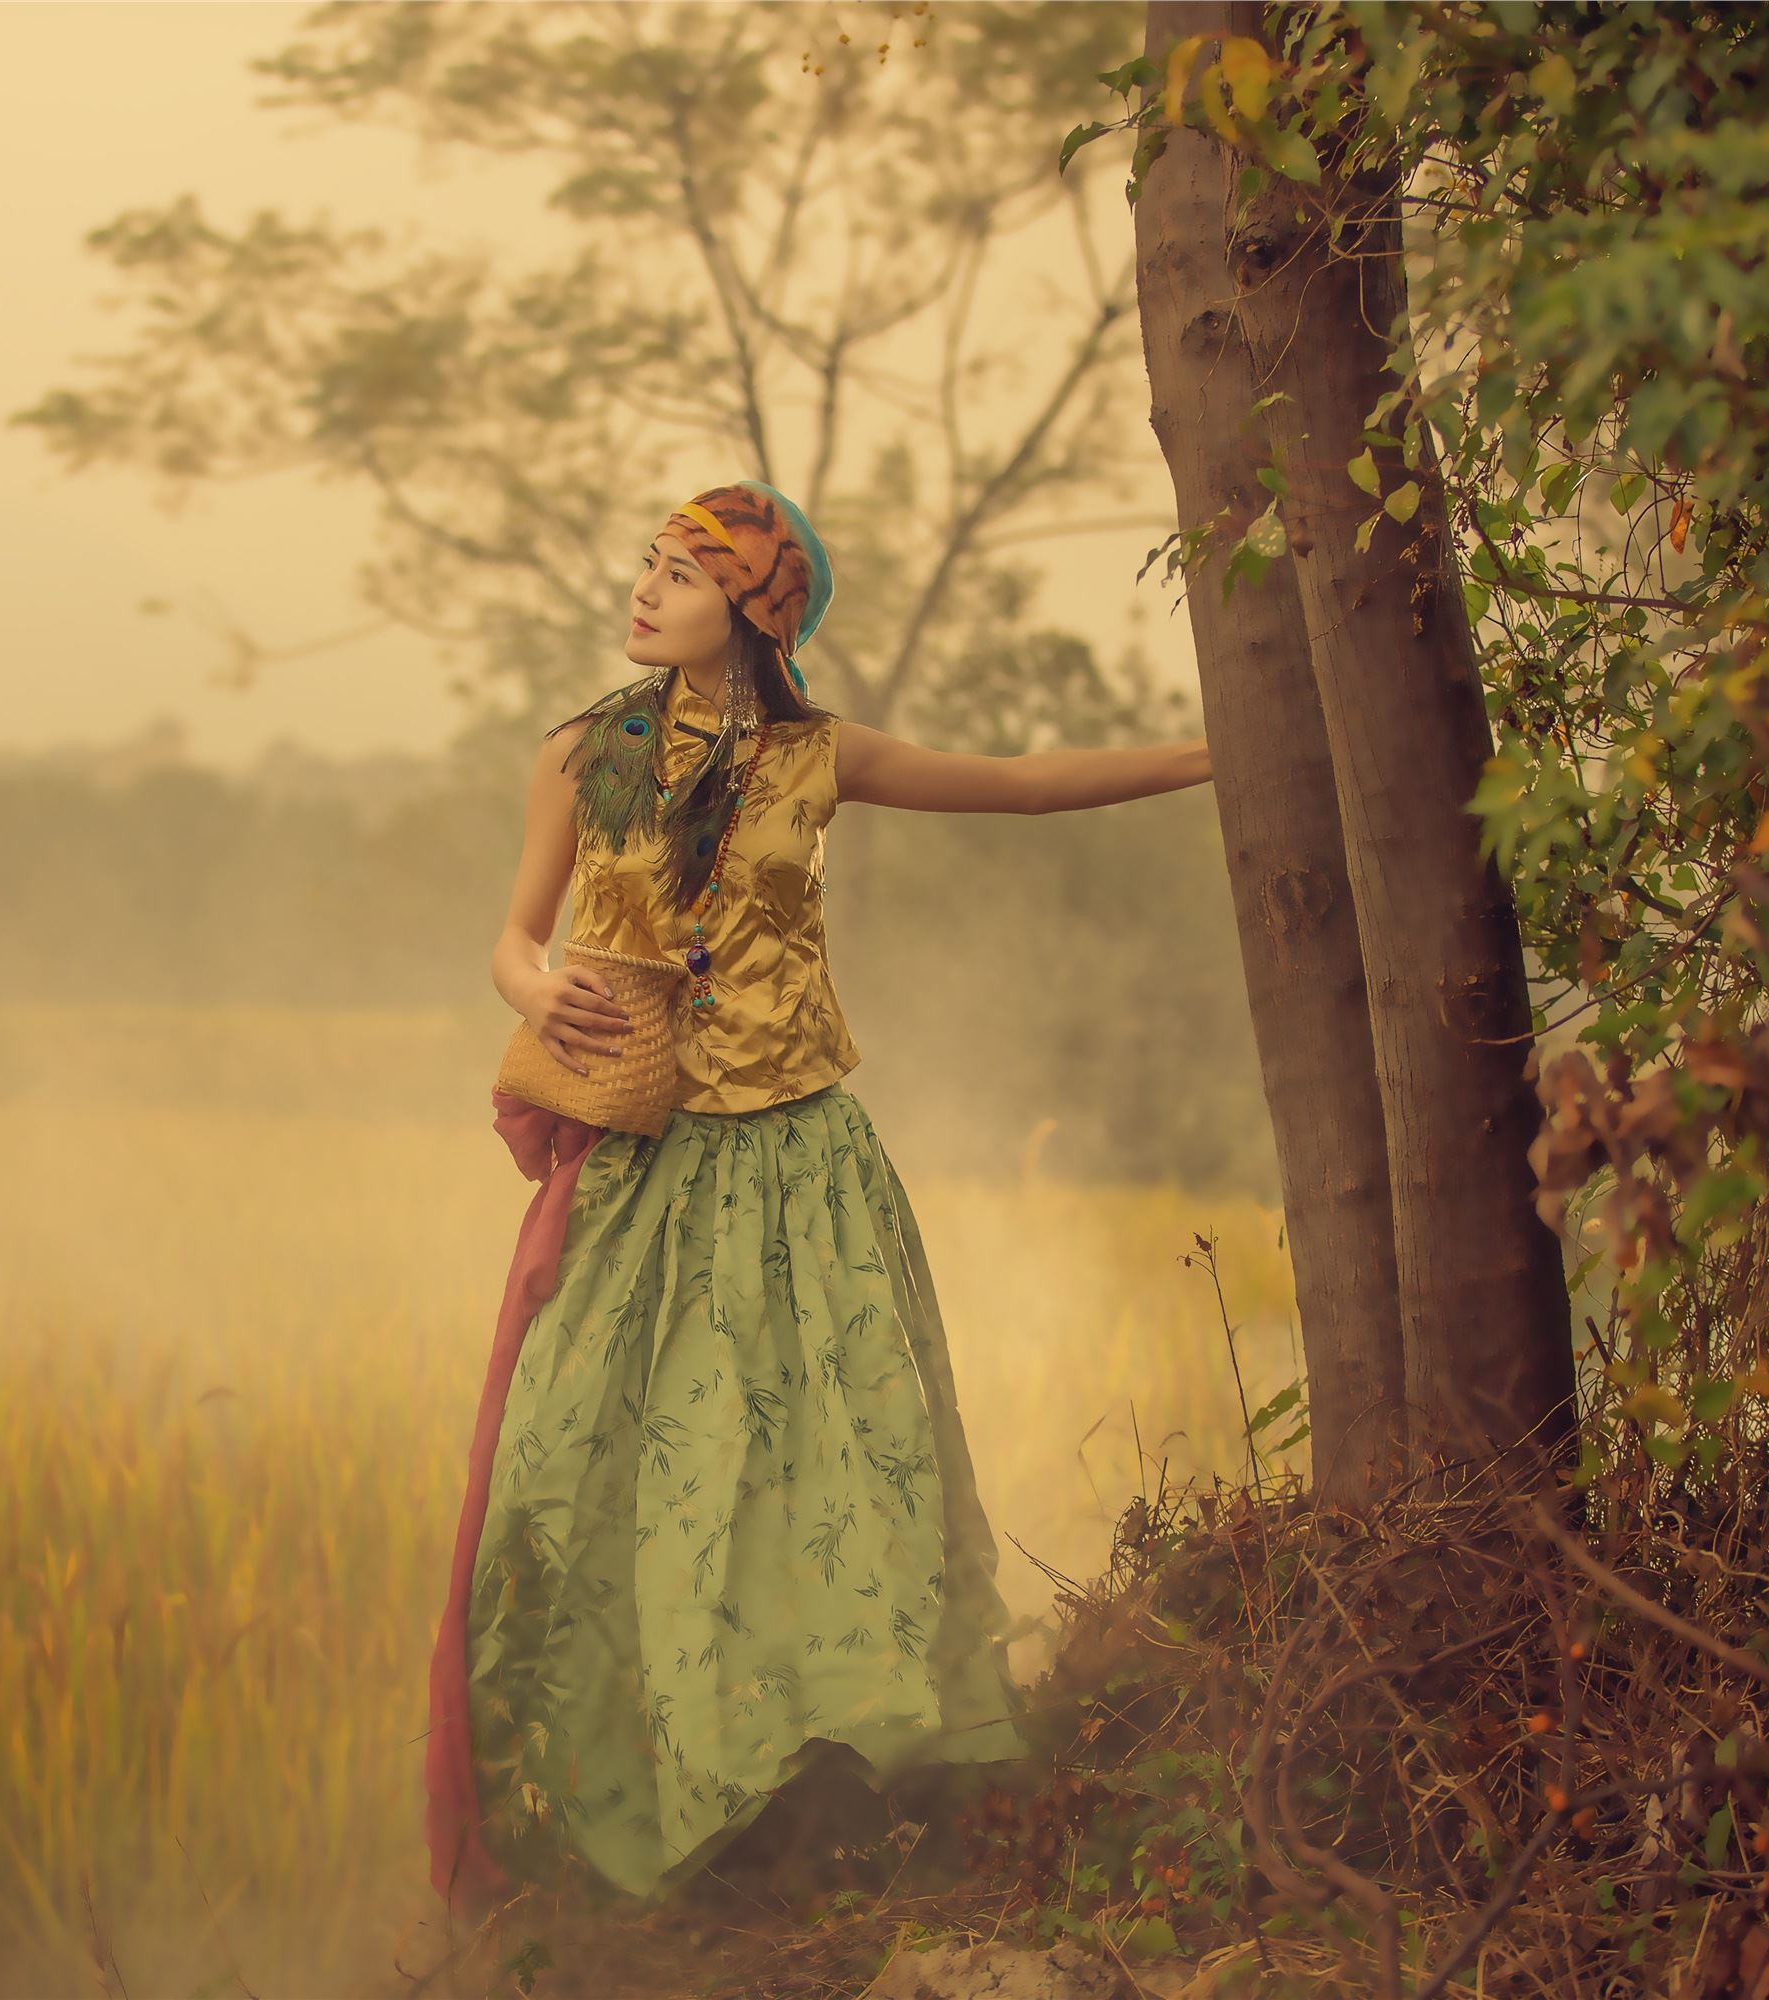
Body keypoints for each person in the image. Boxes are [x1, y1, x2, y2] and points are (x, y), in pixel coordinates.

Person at [424, 480, 1213, 1924]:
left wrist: (1215, 756)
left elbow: (1024, 783)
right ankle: (634, 1812)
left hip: (802, 1167)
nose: (649, 587)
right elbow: (513, 933)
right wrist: (540, 985)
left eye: (686, 571)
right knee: (593, 1467)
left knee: (822, 1473)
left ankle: (816, 1799)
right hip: (648, 1166)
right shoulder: (581, 755)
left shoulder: (817, 756)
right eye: (650, 561)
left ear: (759, 609)